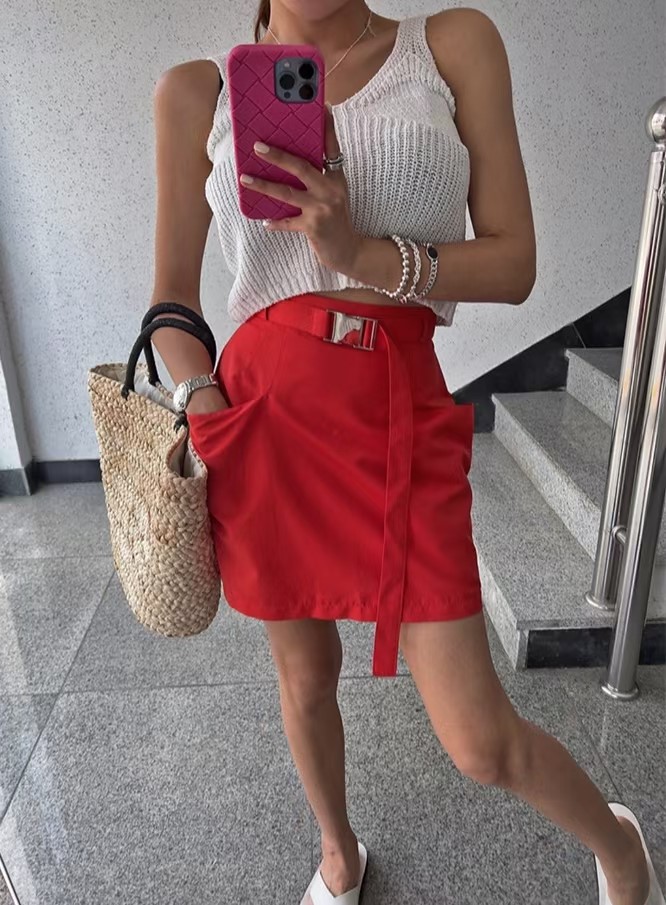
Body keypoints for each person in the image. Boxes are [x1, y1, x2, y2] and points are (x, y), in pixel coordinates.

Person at [149, 3, 663, 904]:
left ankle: (619, 845)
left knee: (480, 740)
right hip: (263, 423)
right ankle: (337, 852)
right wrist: (202, 401)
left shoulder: (449, 45)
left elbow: (514, 264)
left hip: (398, 412)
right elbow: (170, 305)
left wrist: (357, 251)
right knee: (306, 679)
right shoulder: (198, 92)